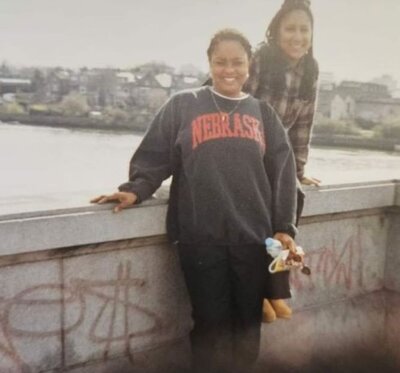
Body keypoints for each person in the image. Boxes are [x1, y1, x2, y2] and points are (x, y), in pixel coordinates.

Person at [91, 28, 299, 372]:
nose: (229, 70)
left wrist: (284, 227)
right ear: (210, 63)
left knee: (247, 330)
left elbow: (284, 175)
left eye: (237, 62)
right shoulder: (184, 105)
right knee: (210, 328)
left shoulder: (264, 114)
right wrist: (135, 188)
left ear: (250, 67)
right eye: (221, 62)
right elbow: (155, 156)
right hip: (200, 240)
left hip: (253, 241)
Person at [242, 0, 320, 323]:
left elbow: (302, 127)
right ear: (277, 30)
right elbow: (226, 98)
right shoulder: (259, 61)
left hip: (276, 160)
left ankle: (271, 288)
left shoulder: (310, 72)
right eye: (290, 29)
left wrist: (298, 171)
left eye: (304, 30)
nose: (297, 37)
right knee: (256, 212)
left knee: (292, 201)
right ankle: (259, 290)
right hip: (241, 154)